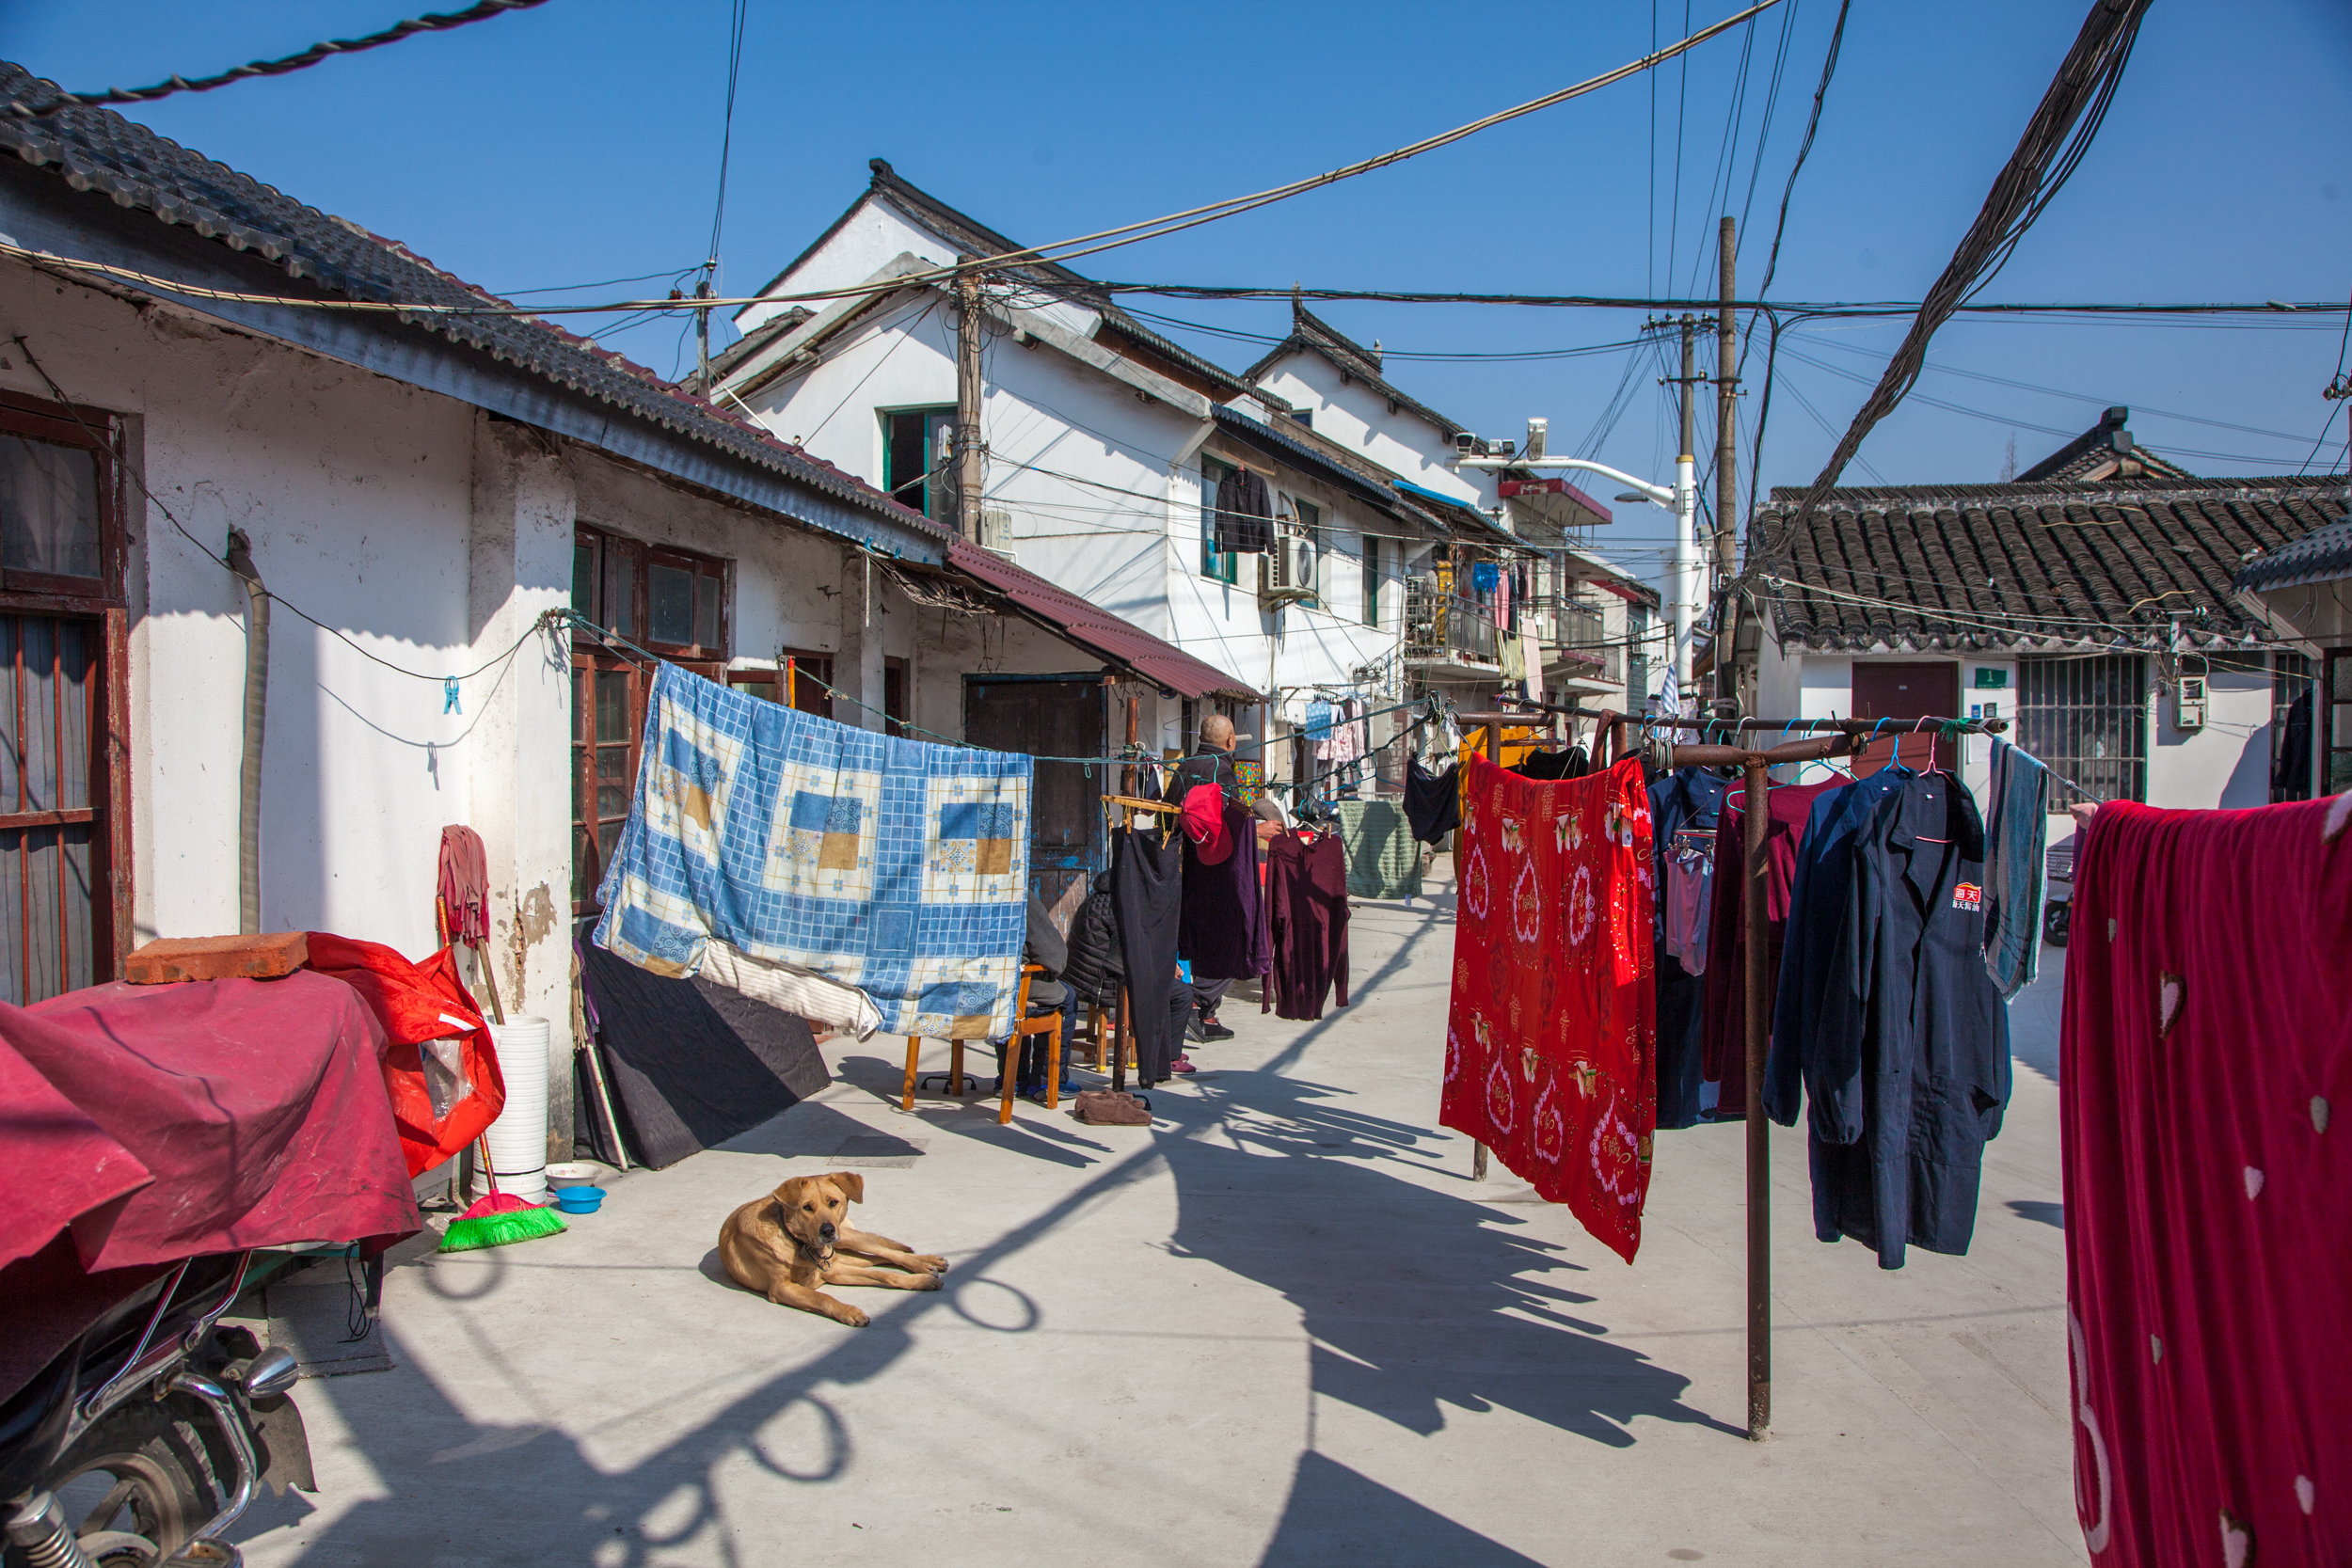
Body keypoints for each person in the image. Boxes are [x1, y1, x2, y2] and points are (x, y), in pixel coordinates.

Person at [1163, 714, 1254, 1046]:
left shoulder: (1184, 767)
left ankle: (1202, 1009)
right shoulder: (1222, 770)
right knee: (1231, 938)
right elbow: (1230, 820)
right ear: (1230, 741)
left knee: (1190, 937)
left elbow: (1168, 812)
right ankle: (1199, 1003)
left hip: (1178, 865)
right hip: (1211, 869)